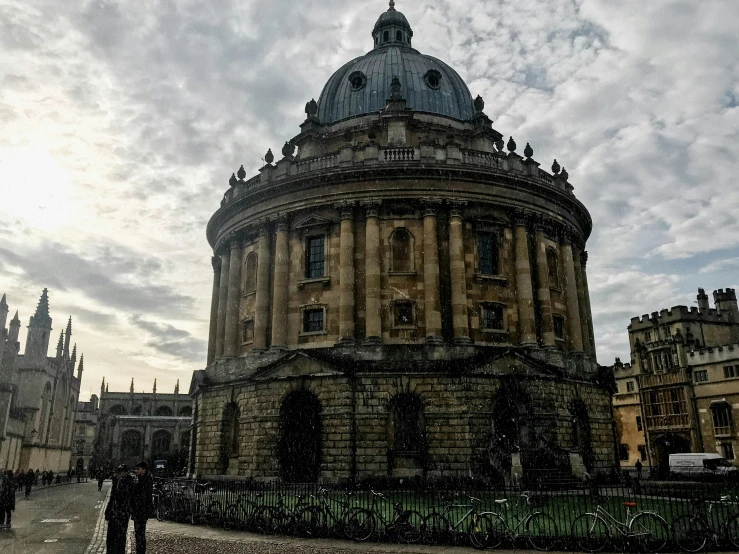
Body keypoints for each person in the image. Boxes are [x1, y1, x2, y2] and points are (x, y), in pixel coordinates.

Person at [105, 465, 132, 554]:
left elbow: (127, 499)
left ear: (126, 472)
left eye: (122, 472)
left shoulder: (129, 482)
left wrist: (124, 511)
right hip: (114, 513)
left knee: (120, 537)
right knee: (111, 537)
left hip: (122, 514)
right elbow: (112, 498)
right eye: (119, 472)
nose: (120, 474)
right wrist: (108, 510)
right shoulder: (117, 482)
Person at [131, 462, 154, 554]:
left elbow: (142, 497)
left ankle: (140, 551)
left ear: (143, 470)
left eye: (138, 469)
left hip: (141, 511)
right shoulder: (142, 479)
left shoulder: (144, 481)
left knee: (140, 534)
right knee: (139, 534)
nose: (136, 471)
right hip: (140, 510)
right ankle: (139, 551)